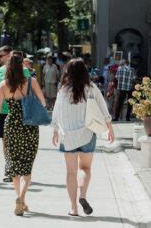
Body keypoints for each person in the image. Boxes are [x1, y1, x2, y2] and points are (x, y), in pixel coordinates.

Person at [51, 58, 114, 217]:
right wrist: (110, 130)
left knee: (70, 172)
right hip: (87, 135)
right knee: (85, 168)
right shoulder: (91, 88)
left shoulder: (63, 90)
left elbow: (56, 113)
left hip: (68, 137)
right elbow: (104, 110)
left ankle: (73, 208)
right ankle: (83, 196)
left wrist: (55, 131)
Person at [0, 52, 45, 216]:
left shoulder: (3, 85)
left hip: (11, 125)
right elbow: (42, 101)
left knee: (13, 164)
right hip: (29, 125)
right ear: (22, 65)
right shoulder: (31, 81)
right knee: (27, 164)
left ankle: (19, 198)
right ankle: (22, 198)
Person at [0, 47, 31, 183]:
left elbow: (30, 91)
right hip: (3, 111)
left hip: (21, 112)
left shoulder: (25, 71)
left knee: (21, 142)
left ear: (9, 56)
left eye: (1, 56)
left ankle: (18, 167)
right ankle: (9, 167)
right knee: (6, 142)